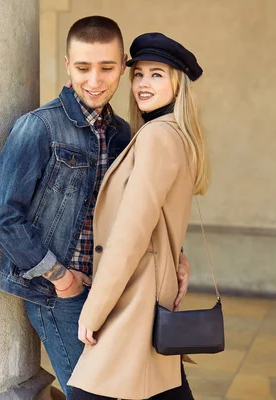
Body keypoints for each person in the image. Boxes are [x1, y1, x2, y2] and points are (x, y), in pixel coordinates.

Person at [0, 17, 191, 396]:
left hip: (112, 291)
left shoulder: (124, 133)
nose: (94, 80)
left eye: (107, 67)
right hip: (61, 294)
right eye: (83, 67)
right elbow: (2, 218)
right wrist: (61, 279)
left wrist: (176, 252)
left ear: (122, 64)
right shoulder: (39, 128)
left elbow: (138, 213)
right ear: (68, 65)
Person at [67, 32, 210, 400]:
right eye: (139, 74)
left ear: (177, 85)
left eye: (157, 74)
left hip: (132, 300)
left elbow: (132, 233)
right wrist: (178, 256)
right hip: (147, 296)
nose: (144, 84)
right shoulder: (171, 134)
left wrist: (93, 310)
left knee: (88, 391)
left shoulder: (157, 137)